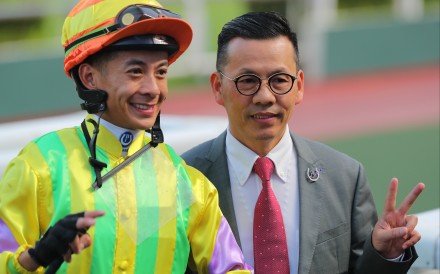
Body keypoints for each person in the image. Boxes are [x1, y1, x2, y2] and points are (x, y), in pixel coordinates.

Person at [0, 1, 254, 273]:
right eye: (135, 72)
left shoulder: (187, 183)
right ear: (89, 77)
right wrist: (35, 258)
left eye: (161, 72)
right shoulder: (37, 167)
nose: (152, 89)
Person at [181, 11, 425, 274]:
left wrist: (383, 257)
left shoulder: (345, 179)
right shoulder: (183, 181)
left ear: (299, 87)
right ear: (218, 87)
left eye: (279, 80)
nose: (265, 96)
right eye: (248, 81)